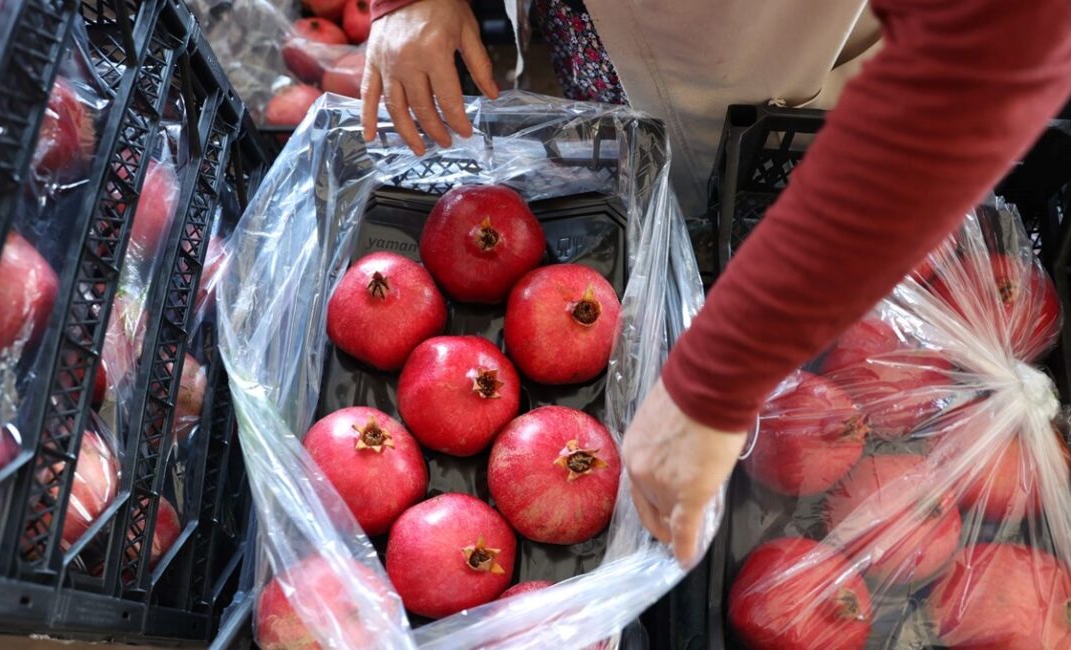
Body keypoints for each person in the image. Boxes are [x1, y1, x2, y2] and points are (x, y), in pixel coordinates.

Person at [362, 0, 1071, 567]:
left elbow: (1002, 44)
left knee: (708, 185)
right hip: (585, 33)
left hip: (759, 62)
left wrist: (718, 379)